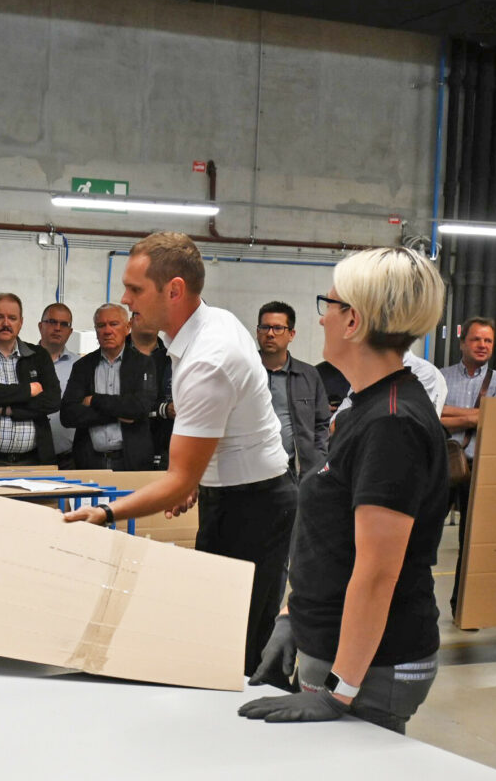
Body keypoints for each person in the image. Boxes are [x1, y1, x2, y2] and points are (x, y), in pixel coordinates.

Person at [239, 246, 448, 733]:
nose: (321, 319)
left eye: (327, 305)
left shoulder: (393, 423)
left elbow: (377, 572)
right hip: (333, 647)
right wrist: (292, 615)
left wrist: (339, 693)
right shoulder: (362, 407)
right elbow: (332, 534)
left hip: (371, 669)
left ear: (353, 320)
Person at [64, 233, 293, 676]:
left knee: (241, 644)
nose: (126, 300)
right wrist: (194, 478)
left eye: (135, 289)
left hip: (255, 505)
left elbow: (178, 481)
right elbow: (215, 436)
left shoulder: (209, 358)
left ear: (173, 290)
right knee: (218, 628)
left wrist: (106, 513)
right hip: (233, 494)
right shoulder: (210, 324)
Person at [440, 316, 496, 618]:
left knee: (470, 544)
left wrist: (449, 414)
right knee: (422, 537)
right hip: (443, 465)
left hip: (480, 470)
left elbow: (490, 419)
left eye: (488, 341)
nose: (482, 345)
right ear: (462, 343)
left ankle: (462, 609)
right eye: (476, 339)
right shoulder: (440, 377)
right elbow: (432, 415)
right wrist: (472, 416)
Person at [0, 292, 61, 466]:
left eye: (12, 318)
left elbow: (53, 400)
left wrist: (10, 410)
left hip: (34, 460)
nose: (6, 323)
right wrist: (28, 390)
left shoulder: (38, 355)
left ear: (21, 322)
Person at [61, 304, 158, 471]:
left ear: (128, 327)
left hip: (132, 462)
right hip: (90, 461)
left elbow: (140, 408)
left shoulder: (143, 364)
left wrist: (94, 400)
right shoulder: (82, 366)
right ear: (96, 330)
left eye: (114, 324)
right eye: (101, 325)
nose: (107, 331)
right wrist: (119, 414)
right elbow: (68, 415)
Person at [257, 301, 330, 481]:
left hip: (295, 472)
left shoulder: (309, 375)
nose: (270, 334)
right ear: (257, 331)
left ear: (291, 334)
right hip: (251, 471)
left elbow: (321, 423)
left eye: (278, 328)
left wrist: (317, 462)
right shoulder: (245, 371)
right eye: (265, 327)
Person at [129, 310, 174, 469]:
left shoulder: (171, 356)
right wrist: (164, 409)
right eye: (140, 315)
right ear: (130, 322)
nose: (148, 320)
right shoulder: (118, 355)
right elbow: (132, 404)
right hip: (134, 448)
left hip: (176, 446)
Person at [38, 302, 78, 469]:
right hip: (32, 458)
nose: (57, 328)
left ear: (70, 331)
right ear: (40, 326)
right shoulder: (24, 361)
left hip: (69, 459)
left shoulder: (79, 366)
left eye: (64, 324)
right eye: (52, 322)